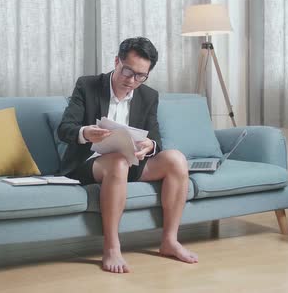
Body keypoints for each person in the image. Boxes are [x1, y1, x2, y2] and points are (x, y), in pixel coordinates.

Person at [58, 37, 198, 274]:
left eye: (140, 76)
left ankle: (170, 241)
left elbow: (156, 140)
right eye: (127, 71)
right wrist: (86, 132)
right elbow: (64, 128)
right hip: (89, 164)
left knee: (176, 159)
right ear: (116, 61)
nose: (132, 81)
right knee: (118, 163)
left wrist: (149, 146)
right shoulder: (88, 85)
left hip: (129, 162)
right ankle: (112, 247)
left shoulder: (148, 96)